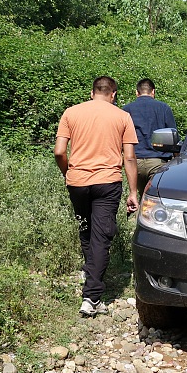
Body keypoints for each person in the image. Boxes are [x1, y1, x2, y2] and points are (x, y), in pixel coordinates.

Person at [54, 76, 139, 317]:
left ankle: (89, 271)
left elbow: (59, 151)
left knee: (86, 229)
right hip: (107, 182)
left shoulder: (71, 113)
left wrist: (68, 172)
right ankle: (91, 297)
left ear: (92, 93)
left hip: (77, 181)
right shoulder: (122, 116)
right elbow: (130, 158)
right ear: (113, 95)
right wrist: (133, 192)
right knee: (102, 237)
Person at [122, 78, 177, 193]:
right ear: (153, 92)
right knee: (155, 200)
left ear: (137, 93)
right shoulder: (164, 108)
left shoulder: (126, 110)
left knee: (139, 198)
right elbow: (174, 138)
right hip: (158, 162)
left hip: (134, 162)